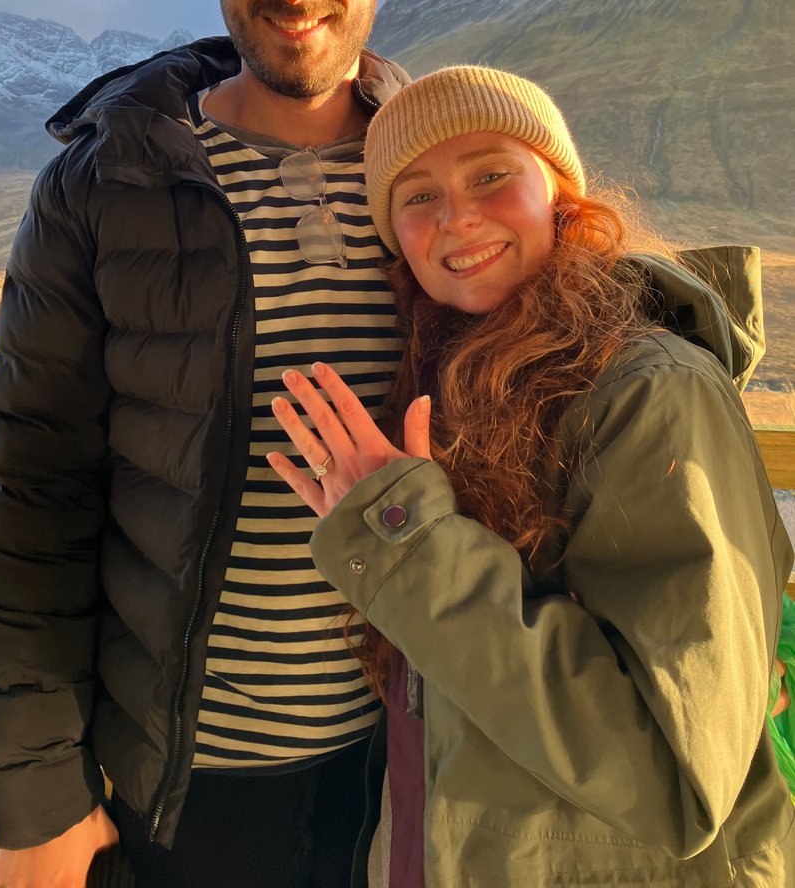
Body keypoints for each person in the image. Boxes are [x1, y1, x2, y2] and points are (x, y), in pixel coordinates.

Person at [0, 0, 412, 888]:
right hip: (186, 794)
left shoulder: (441, 174)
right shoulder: (103, 186)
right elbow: (36, 500)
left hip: (412, 768)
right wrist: (38, 805)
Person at [268, 65, 795, 886]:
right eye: (417, 196)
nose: (458, 216)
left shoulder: (653, 394)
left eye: (491, 175)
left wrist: (407, 550)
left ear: (559, 191)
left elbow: (674, 781)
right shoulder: (451, 388)